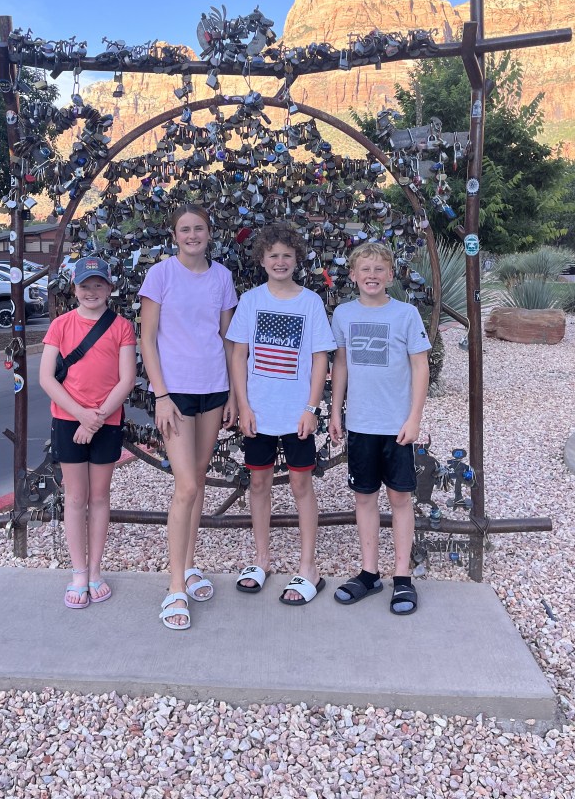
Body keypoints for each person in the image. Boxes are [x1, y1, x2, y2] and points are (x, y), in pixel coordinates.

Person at [138, 204, 238, 630]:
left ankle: (189, 564)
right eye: (185, 229)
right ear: (174, 235)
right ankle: (175, 585)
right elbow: (146, 338)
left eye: (199, 228)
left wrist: (234, 394)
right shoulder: (160, 275)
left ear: (209, 233)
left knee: (197, 478)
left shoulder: (222, 278)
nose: (193, 235)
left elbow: (228, 339)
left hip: (213, 389)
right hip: (174, 392)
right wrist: (160, 395)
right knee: (187, 485)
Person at [226, 222, 336, 605]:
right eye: (273, 255)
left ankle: (309, 567)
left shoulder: (310, 302)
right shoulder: (251, 301)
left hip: (296, 414)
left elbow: (320, 358)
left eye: (287, 255)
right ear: (262, 259)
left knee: (301, 486)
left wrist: (311, 407)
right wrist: (243, 405)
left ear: (296, 259)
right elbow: (238, 355)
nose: (280, 261)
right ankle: (262, 560)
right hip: (258, 413)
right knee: (258, 485)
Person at [329, 242, 430, 615]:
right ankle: (369, 573)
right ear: (353, 275)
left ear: (390, 275)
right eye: (365, 269)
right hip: (361, 424)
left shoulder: (406, 314)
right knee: (364, 497)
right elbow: (341, 363)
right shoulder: (343, 314)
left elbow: (420, 366)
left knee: (400, 498)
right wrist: (335, 412)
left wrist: (414, 418)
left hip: (397, 426)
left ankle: (402, 577)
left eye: (379, 269)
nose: (371, 275)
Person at [40, 256, 137, 609]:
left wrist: (95, 419)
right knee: (75, 497)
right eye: (85, 285)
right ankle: (78, 571)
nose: (91, 291)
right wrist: (81, 415)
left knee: (99, 497)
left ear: (109, 288)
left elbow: (127, 379)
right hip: (69, 419)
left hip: (106, 420)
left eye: (98, 284)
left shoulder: (122, 327)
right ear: (74, 288)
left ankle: (95, 570)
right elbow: (46, 378)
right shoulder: (60, 325)